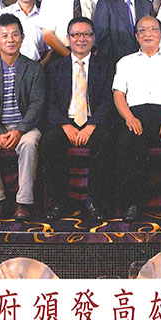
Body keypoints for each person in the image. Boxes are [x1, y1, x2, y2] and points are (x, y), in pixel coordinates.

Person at [112, 15, 161, 224]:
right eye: (142, 30)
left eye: (153, 29)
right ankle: (133, 204)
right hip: (135, 116)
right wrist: (129, 118)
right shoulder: (125, 62)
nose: (148, 34)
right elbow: (118, 94)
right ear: (136, 35)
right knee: (127, 143)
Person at [42, 17, 114, 222]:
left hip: (93, 121)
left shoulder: (105, 66)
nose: (81, 39)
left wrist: (92, 125)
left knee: (105, 140)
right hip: (65, 121)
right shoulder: (55, 67)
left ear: (93, 38)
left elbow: (108, 101)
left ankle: (94, 201)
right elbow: (49, 102)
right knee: (49, 141)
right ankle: (59, 201)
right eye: (76, 35)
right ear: (68, 38)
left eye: (86, 34)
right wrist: (65, 125)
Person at [0, 14, 45, 220]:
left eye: (15, 35)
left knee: (29, 144)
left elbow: (37, 105)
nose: (10, 40)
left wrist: (19, 130)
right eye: (4, 35)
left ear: (22, 37)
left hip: (25, 127)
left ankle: (23, 203)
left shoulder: (34, 68)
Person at [92, 0, 153, 65]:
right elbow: (102, 40)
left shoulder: (146, 5)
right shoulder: (105, 3)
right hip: (114, 63)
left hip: (143, 63)